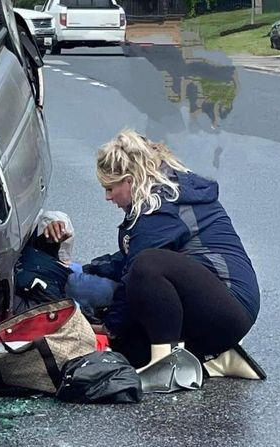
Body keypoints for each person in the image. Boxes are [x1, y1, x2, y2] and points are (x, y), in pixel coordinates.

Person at [85, 129, 260, 372]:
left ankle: (164, 368)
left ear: (130, 180)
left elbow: (136, 269)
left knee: (147, 266)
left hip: (230, 306)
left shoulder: (161, 206)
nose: (107, 196)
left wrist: (109, 326)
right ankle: (214, 358)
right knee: (128, 349)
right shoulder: (164, 195)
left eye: (110, 187)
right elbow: (128, 259)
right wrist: (88, 269)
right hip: (218, 305)